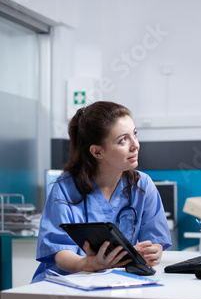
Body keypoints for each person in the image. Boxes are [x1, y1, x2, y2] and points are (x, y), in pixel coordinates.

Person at [32, 101, 172, 283]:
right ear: (97, 152)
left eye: (135, 134)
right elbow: (59, 251)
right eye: (123, 140)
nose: (135, 145)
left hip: (116, 281)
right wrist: (86, 264)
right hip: (65, 281)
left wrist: (154, 251)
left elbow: (155, 240)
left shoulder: (142, 185)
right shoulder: (65, 187)